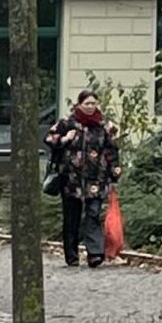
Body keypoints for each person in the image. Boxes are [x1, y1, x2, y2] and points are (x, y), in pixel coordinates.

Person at [45, 91, 123, 268]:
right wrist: (65, 139)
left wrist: (115, 169)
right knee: (71, 217)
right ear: (79, 104)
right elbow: (49, 138)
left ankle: (95, 253)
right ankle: (71, 255)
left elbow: (112, 149)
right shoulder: (67, 123)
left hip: (96, 179)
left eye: (93, 103)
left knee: (93, 214)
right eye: (87, 103)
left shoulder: (104, 126)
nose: (90, 107)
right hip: (71, 179)